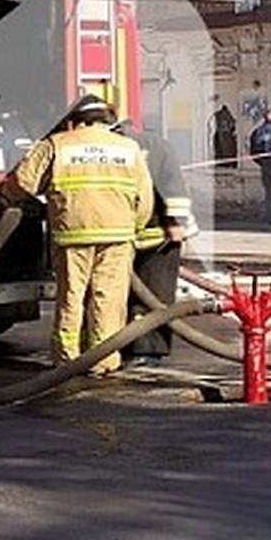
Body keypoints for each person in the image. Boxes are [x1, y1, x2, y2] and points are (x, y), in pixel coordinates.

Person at [0, 94, 153, 375]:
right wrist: (135, 228)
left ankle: (67, 360)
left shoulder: (57, 144)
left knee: (71, 297)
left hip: (72, 234)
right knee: (108, 299)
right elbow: (145, 196)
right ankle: (103, 361)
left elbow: (24, 183)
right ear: (107, 121)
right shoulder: (128, 148)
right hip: (118, 235)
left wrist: (0, 197)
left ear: (73, 122)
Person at [114, 118, 198, 367]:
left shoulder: (130, 147)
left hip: (158, 234)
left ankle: (147, 352)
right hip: (152, 232)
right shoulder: (156, 144)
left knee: (151, 296)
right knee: (147, 295)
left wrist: (173, 222)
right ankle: (137, 349)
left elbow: (169, 189)